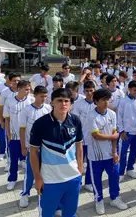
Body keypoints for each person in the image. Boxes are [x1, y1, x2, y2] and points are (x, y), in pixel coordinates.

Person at [30, 88, 83, 217]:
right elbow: (33, 152)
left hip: (72, 178)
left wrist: (80, 172)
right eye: (59, 101)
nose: (63, 104)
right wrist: (37, 178)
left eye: (66, 101)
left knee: (70, 213)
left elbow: (79, 147)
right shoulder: (40, 124)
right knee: (47, 213)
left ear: (70, 103)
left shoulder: (75, 120)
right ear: (52, 102)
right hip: (50, 180)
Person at [85, 89, 128, 214]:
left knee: (114, 176)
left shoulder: (112, 114)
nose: (106, 102)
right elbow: (96, 135)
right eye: (103, 100)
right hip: (95, 155)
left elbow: (115, 133)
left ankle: (114, 198)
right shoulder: (91, 116)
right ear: (96, 101)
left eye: (107, 100)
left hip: (110, 153)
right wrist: (113, 137)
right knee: (97, 179)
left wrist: (115, 152)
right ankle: (98, 200)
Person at [18, 85, 52, 208]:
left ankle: (43, 193)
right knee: (30, 172)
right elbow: (22, 130)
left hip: (47, 148)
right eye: (41, 96)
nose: (44, 99)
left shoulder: (48, 109)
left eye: (45, 96)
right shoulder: (26, 110)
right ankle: (25, 194)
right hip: (32, 148)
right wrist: (23, 146)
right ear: (35, 95)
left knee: (46, 172)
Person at [4, 80, 35, 190]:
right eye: (26, 89)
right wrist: (8, 134)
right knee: (13, 159)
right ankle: (12, 179)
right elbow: (7, 119)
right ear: (19, 89)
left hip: (29, 137)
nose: (28, 91)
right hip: (15, 136)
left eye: (29, 89)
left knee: (32, 160)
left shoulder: (32, 100)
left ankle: (33, 178)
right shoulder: (9, 101)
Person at [117, 81, 136, 181]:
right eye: (134, 90)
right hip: (127, 133)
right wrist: (121, 131)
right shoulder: (123, 101)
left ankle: (130, 169)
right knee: (123, 153)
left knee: (134, 152)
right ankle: (121, 172)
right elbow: (119, 117)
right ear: (129, 89)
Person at [71, 81, 96, 192]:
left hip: (94, 139)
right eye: (87, 91)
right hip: (80, 139)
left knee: (91, 162)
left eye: (91, 90)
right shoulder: (79, 104)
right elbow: (74, 122)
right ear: (83, 91)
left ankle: (89, 182)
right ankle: (77, 181)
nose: (89, 93)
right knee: (78, 161)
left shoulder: (97, 103)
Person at [0, 71, 13, 160]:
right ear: (6, 78)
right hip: (3, 116)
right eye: (9, 77)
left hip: (14, 117)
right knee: (2, 134)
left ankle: (18, 156)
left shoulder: (19, 89)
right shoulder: (0, 88)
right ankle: (2, 152)